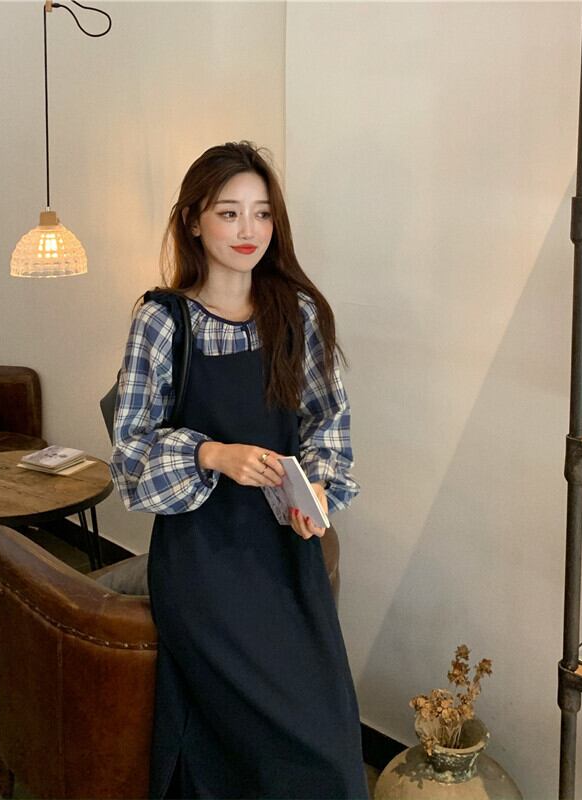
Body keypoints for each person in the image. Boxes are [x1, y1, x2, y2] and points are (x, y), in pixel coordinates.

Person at [110, 141, 367, 799]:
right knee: (246, 736)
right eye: (229, 213)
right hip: (202, 561)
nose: (248, 229)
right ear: (193, 221)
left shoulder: (297, 314)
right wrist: (210, 453)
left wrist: (318, 490)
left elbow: (327, 421)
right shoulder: (162, 321)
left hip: (285, 550)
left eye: (261, 213)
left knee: (328, 738)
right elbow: (129, 456)